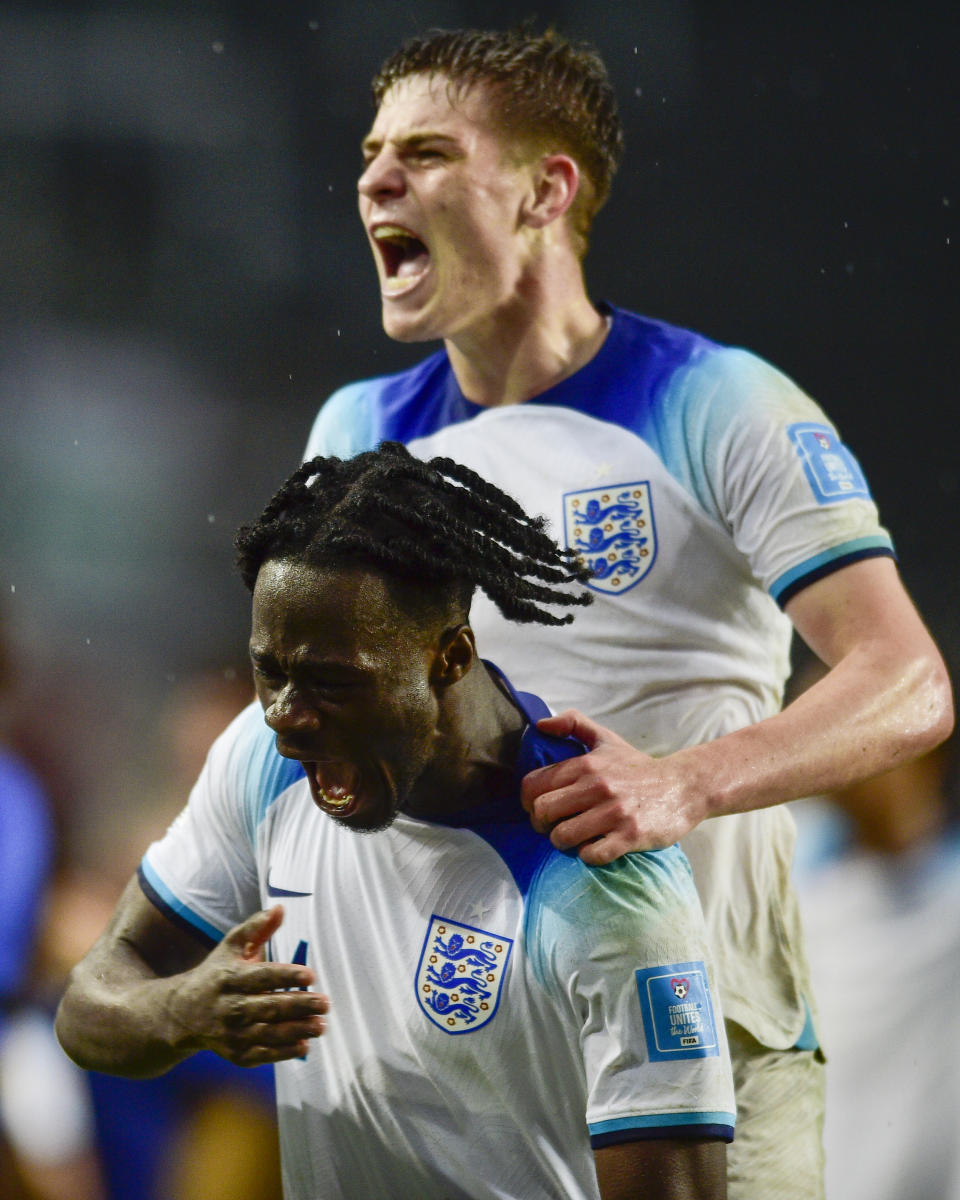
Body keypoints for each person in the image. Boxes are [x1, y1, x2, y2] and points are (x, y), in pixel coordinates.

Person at [300, 26, 954, 1199]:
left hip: (703, 1047)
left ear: (547, 190)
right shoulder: (356, 433)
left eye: (428, 152)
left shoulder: (717, 400)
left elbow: (908, 680)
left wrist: (683, 781)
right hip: (452, 1055)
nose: (376, 179)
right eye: (371, 151)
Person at [55, 443, 735, 1200]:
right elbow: (90, 1007)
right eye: (269, 672)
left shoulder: (602, 875)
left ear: (450, 655)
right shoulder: (263, 759)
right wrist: (181, 1011)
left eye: (332, 681)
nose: (287, 717)